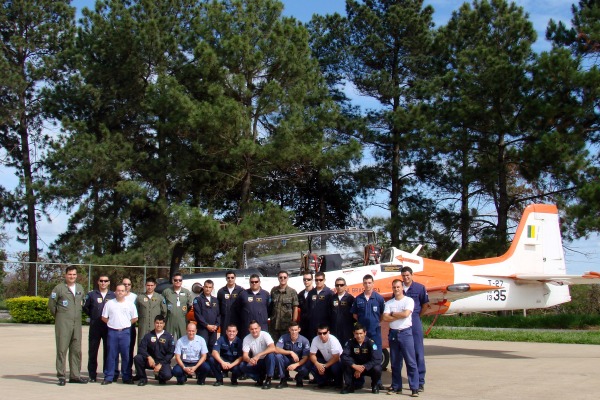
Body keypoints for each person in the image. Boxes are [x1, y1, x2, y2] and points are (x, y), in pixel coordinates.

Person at [48, 265, 88, 386]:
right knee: (62, 349)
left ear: (76, 275)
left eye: (74, 274)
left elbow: (82, 303)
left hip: (77, 324)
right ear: (65, 275)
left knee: (76, 349)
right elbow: (51, 305)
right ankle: (61, 376)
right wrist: (60, 317)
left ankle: (75, 375)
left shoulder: (80, 288)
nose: (72, 277)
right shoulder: (58, 288)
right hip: (63, 323)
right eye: (70, 274)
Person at [383, 279, 419, 397]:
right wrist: (398, 315)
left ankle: (414, 387)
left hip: (405, 333)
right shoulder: (389, 303)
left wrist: (393, 314)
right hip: (393, 333)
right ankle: (396, 386)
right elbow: (385, 318)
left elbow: (406, 314)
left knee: (410, 362)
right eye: (394, 287)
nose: (396, 289)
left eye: (398, 287)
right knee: (395, 363)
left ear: (402, 288)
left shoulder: (409, 301)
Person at [101, 283, 138, 385]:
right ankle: (109, 377)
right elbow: (104, 317)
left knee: (126, 355)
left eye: (122, 291)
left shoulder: (130, 304)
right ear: (115, 292)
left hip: (125, 332)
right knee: (111, 355)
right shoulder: (109, 303)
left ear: (125, 292)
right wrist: (111, 323)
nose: (120, 292)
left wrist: (126, 324)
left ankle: (126, 377)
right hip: (112, 331)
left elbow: (135, 318)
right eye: (118, 290)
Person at [401, 266, 431, 392]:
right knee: (405, 353)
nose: (406, 278)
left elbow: (425, 305)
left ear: (412, 275)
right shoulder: (399, 288)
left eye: (408, 275)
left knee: (418, 352)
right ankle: (411, 379)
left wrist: (417, 316)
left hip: (414, 320)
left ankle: (420, 381)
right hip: (402, 321)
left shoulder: (420, 288)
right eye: (403, 276)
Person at [83, 274, 116, 382]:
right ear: (98, 282)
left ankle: (107, 374)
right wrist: (93, 316)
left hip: (108, 327)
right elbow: (86, 308)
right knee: (93, 351)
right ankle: (92, 375)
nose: (103, 283)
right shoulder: (92, 294)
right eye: (101, 281)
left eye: (105, 281)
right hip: (95, 327)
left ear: (109, 282)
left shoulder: (113, 296)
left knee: (108, 351)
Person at [340, 324, 382, 394]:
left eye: (361, 333)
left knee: (377, 368)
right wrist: (354, 366)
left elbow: (377, 359)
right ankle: (349, 386)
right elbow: (344, 356)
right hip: (355, 367)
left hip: (367, 368)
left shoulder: (370, 343)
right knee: (346, 364)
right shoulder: (350, 342)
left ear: (365, 333)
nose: (359, 336)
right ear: (354, 333)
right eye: (356, 333)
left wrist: (364, 367)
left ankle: (375, 385)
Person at [134, 315, 175, 386]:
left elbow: (171, 353)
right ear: (154, 323)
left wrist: (161, 364)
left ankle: (160, 378)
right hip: (150, 361)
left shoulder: (168, 337)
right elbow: (141, 348)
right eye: (157, 323)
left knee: (167, 375)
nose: (159, 325)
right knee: (138, 358)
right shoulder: (148, 335)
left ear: (164, 324)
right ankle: (143, 379)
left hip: (162, 362)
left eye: (161, 323)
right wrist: (149, 357)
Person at [241, 320, 277, 389]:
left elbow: (273, 348)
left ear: (259, 328)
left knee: (271, 355)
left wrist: (259, 355)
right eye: (252, 329)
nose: (254, 331)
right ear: (249, 330)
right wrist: (249, 360)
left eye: (256, 328)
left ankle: (268, 379)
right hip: (256, 362)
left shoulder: (265, 335)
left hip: (266, 360)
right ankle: (259, 378)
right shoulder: (246, 338)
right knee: (242, 365)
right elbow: (245, 355)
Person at [274, 322, 310, 388]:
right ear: (289, 329)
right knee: (278, 356)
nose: (294, 332)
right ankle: (283, 379)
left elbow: (305, 357)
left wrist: (296, 365)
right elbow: (277, 349)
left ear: (299, 330)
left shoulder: (304, 340)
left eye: (295, 330)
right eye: (292, 330)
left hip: (298, 362)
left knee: (307, 366)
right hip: (287, 360)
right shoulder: (284, 337)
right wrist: (290, 352)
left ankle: (298, 378)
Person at [309, 323, 343, 389]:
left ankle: (338, 384)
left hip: (337, 361)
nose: (322, 335)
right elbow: (312, 355)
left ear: (328, 332)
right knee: (311, 364)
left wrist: (324, 366)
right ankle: (322, 383)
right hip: (326, 360)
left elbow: (336, 357)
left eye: (324, 333)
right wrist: (317, 364)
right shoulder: (315, 339)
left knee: (335, 367)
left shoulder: (333, 340)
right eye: (320, 333)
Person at [269, 270, 299, 341]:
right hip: (274, 325)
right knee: (275, 346)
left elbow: (295, 308)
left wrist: (293, 323)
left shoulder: (292, 292)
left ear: (288, 278)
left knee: (286, 346)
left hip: (286, 325)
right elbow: (271, 306)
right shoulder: (274, 291)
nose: (283, 279)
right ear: (278, 278)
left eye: (285, 277)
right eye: (281, 277)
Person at [162, 272, 193, 340]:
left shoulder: (186, 292)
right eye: (175, 280)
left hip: (182, 319)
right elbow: (162, 305)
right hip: (170, 319)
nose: (178, 281)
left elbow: (189, 305)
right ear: (173, 281)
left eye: (180, 280)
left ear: (182, 281)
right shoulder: (166, 292)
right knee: (168, 338)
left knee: (183, 338)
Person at [193, 279, 220, 352]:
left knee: (212, 348)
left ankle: (211, 363)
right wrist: (207, 325)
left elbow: (218, 314)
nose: (208, 289)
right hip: (203, 329)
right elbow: (197, 315)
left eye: (210, 287)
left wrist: (216, 325)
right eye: (206, 287)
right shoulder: (198, 299)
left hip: (213, 329)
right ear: (203, 287)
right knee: (203, 348)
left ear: (212, 288)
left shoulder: (215, 300)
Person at [307, 271, 334, 340]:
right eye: (316, 280)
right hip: (312, 325)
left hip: (324, 325)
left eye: (320, 280)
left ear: (324, 280)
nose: (318, 281)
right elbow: (308, 307)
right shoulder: (311, 292)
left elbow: (332, 310)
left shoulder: (329, 293)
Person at [330, 277, 355, 345]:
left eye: (341, 285)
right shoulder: (332, 298)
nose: (339, 287)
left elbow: (354, 315)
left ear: (345, 286)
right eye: (337, 285)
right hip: (334, 330)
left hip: (347, 330)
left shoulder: (350, 298)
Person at [122, 277, 138, 378]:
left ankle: (128, 372)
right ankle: (114, 372)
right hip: (117, 328)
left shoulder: (135, 297)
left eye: (128, 284)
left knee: (129, 351)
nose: (127, 286)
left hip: (130, 328)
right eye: (125, 284)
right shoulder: (116, 295)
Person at [297, 272, 314, 338]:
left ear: (312, 280)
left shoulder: (316, 293)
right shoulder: (300, 294)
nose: (306, 281)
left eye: (308, 279)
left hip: (313, 324)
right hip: (303, 324)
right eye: (304, 279)